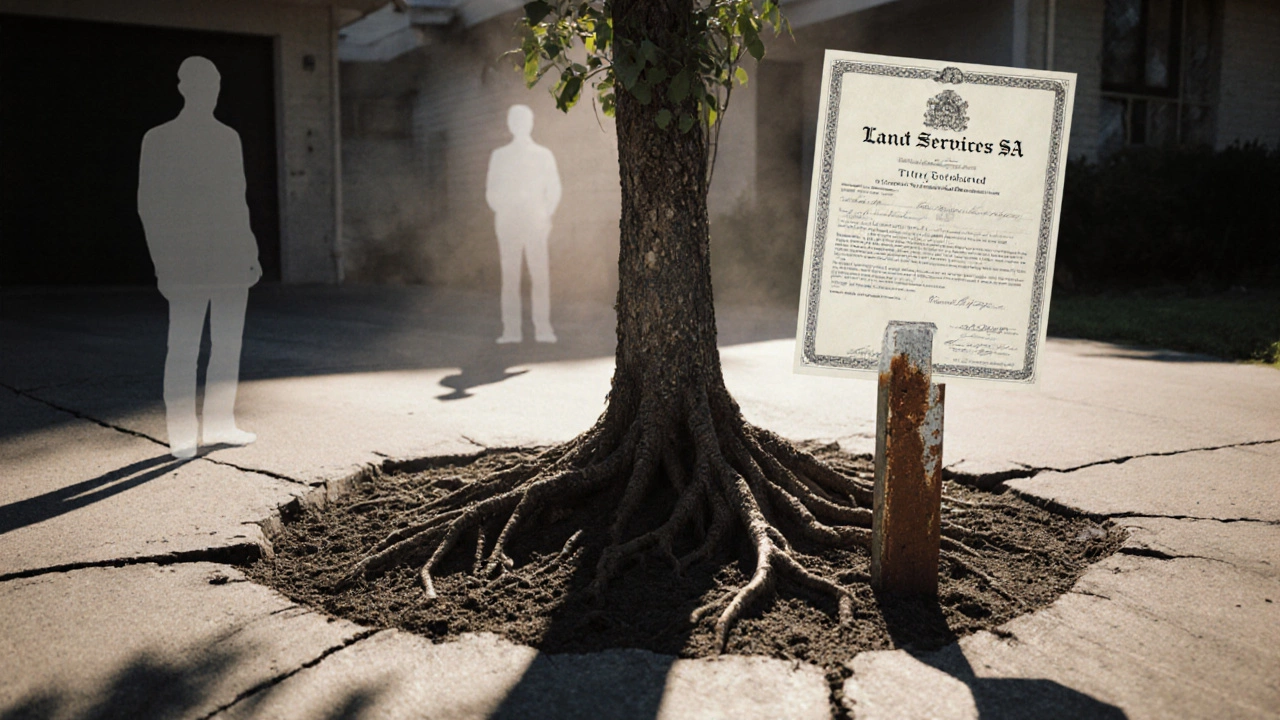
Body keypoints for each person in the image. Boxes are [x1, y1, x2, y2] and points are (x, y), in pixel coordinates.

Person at [138, 56, 261, 459]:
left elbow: (236, 200)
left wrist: (250, 250)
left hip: (228, 261)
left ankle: (221, 424)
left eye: (215, 86)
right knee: (185, 346)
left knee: (227, 344)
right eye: (203, 85)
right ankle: (182, 436)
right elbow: (150, 206)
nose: (210, 93)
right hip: (187, 263)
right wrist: (162, 262)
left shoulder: (229, 138)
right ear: (184, 88)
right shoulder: (158, 139)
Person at [485, 104, 561, 344]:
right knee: (510, 278)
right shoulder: (500, 156)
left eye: (523, 120)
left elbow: (554, 188)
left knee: (540, 276)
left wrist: (545, 214)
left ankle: (543, 329)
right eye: (514, 120)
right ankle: (511, 331)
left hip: (536, 224)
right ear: (509, 124)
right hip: (509, 224)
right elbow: (491, 191)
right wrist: (507, 210)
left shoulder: (543, 154)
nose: (518, 124)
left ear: (531, 123)